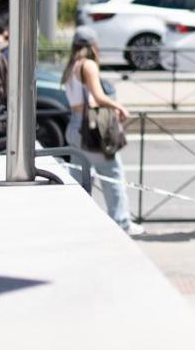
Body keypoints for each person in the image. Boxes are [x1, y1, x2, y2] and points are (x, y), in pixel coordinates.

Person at [64, 28, 142, 235]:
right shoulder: (88, 65)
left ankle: (78, 220)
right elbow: (98, 96)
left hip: (74, 125)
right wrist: (118, 106)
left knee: (80, 179)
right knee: (112, 173)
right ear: (93, 45)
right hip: (89, 127)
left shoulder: (71, 66)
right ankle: (121, 222)